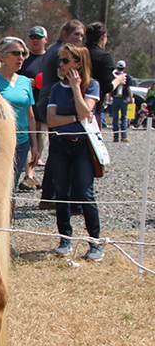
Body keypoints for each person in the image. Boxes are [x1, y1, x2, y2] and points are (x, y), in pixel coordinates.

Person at [47, 44, 103, 262]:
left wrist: (76, 88)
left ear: (78, 63)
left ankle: (96, 242)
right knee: (61, 194)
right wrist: (75, 118)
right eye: (60, 60)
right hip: (60, 145)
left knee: (85, 194)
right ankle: (64, 239)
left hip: (82, 147)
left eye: (65, 60)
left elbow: (86, 112)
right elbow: (52, 120)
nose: (60, 65)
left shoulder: (92, 85)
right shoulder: (55, 89)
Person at [36, 20, 85, 209]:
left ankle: (49, 196)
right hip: (52, 100)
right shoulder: (62, 53)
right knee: (59, 151)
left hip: (47, 98)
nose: (79, 39)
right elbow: (63, 77)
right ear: (65, 33)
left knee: (55, 152)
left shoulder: (55, 50)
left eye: (81, 35)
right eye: (76, 34)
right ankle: (53, 196)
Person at [0, 37, 39, 191]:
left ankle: (10, 215)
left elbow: (30, 115)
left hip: (21, 143)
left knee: (12, 187)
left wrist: (34, 146)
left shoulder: (25, 82)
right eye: (16, 53)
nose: (21, 57)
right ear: (2, 56)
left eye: (24, 54)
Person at [19, 26, 49, 175]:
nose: (35, 40)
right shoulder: (23, 60)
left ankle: (33, 169)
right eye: (32, 37)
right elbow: (13, 78)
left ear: (46, 40)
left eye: (39, 37)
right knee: (29, 138)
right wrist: (25, 81)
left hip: (44, 104)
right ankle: (29, 175)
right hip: (27, 106)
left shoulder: (51, 59)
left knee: (40, 137)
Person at [85, 22, 123, 130]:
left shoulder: (79, 53)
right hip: (94, 104)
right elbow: (106, 86)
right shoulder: (104, 57)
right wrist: (118, 80)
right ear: (103, 37)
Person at [110, 60, 134, 143]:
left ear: (117, 67)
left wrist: (110, 97)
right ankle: (124, 136)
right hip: (123, 98)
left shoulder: (113, 76)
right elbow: (128, 88)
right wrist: (131, 97)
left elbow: (110, 88)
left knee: (115, 118)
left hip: (115, 98)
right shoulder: (127, 76)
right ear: (124, 67)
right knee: (123, 117)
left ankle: (115, 137)